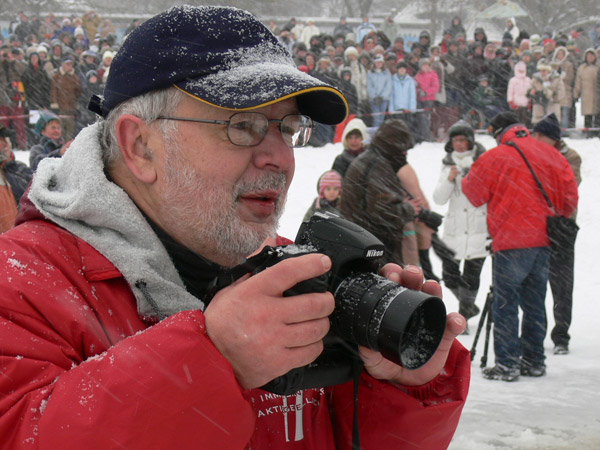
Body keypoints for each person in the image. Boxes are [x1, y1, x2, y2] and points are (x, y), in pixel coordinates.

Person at [0, 6, 469, 448]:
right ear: (140, 145)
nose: (280, 159)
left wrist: (396, 390)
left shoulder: (292, 274)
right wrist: (211, 359)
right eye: (243, 126)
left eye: (287, 129)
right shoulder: (20, 285)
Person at [462, 111, 578, 382]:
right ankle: (534, 360)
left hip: (509, 243)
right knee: (535, 303)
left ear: (499, 132)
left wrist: (470, 176)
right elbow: (570, 196)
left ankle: (506, 363)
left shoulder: (495, 157)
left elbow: (474, 194)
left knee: (506, 304)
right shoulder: (550, 153)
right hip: (543, 242)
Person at [340, 119, 424, 267]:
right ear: (393, 145)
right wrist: (408, 209)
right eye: (403, 149)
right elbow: (382, 212)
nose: (404, 154)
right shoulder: (378, 165)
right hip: (373, 246)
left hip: (360, 241)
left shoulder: (370, 159)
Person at [532, 113, 582, 355]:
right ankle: (535, 334)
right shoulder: (534, 156)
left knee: (562, 283)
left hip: (562, 227)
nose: (535, 139)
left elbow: (566, 188)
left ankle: (561, 334)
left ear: (553, 139)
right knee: (536, 283)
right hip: (538, 226)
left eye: (540, 135)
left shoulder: (570, 157)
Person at [433, 120, 488, 324]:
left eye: (463, 140)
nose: (459, 144)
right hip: (455, 228)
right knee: (449, 275)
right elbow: (438, 198)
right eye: (455, 140)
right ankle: (469, 307)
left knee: (472, 276)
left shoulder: (483, 160)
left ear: (470, 141)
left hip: (478, 226)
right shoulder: (447, 163)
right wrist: (449, 179)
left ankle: (464, 314)